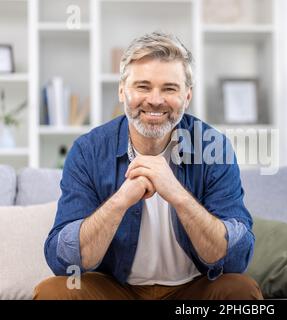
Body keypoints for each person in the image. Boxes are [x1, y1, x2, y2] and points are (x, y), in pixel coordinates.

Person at [33, 32, 263, 300]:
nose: (155, 100)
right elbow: (64, 261)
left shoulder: (214, 147)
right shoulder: (88, 150)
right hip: (116, 289)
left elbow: (236, 258)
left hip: (192, 290)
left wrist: (176, 194)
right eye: (143, 86)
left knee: (240, 290)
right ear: (122, 90)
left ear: (187, 96)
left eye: (169, 88)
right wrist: (120, 201)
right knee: (54, 292)